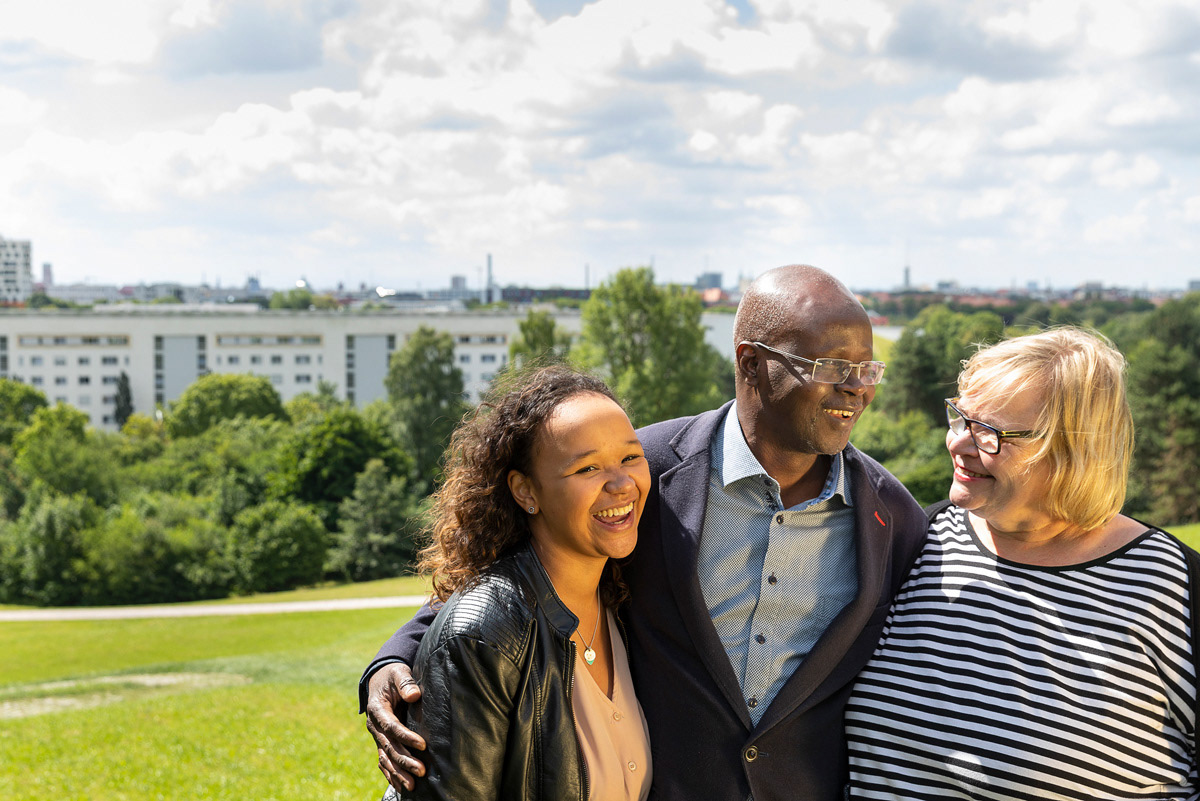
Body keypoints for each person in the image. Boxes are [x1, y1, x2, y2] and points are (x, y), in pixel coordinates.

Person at [362, 265, 927, 801]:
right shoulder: (641, 471)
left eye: (868, 369)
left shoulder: (892, 518)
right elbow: (504, 582)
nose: (856, 388)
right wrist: (394, 661)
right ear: (751, 363)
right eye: (830, 366)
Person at [845, 327, 1198, 799]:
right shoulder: (918, 540)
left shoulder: (1171, 586)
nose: (959, 444)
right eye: (960, 418)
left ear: (1073, 450)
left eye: (989, 433)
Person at [381, 365, 654, 800]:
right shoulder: (485, 635)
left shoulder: (622, 599)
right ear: (526, 492)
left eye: (630, 458)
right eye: (587, 468)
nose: (622, 484)